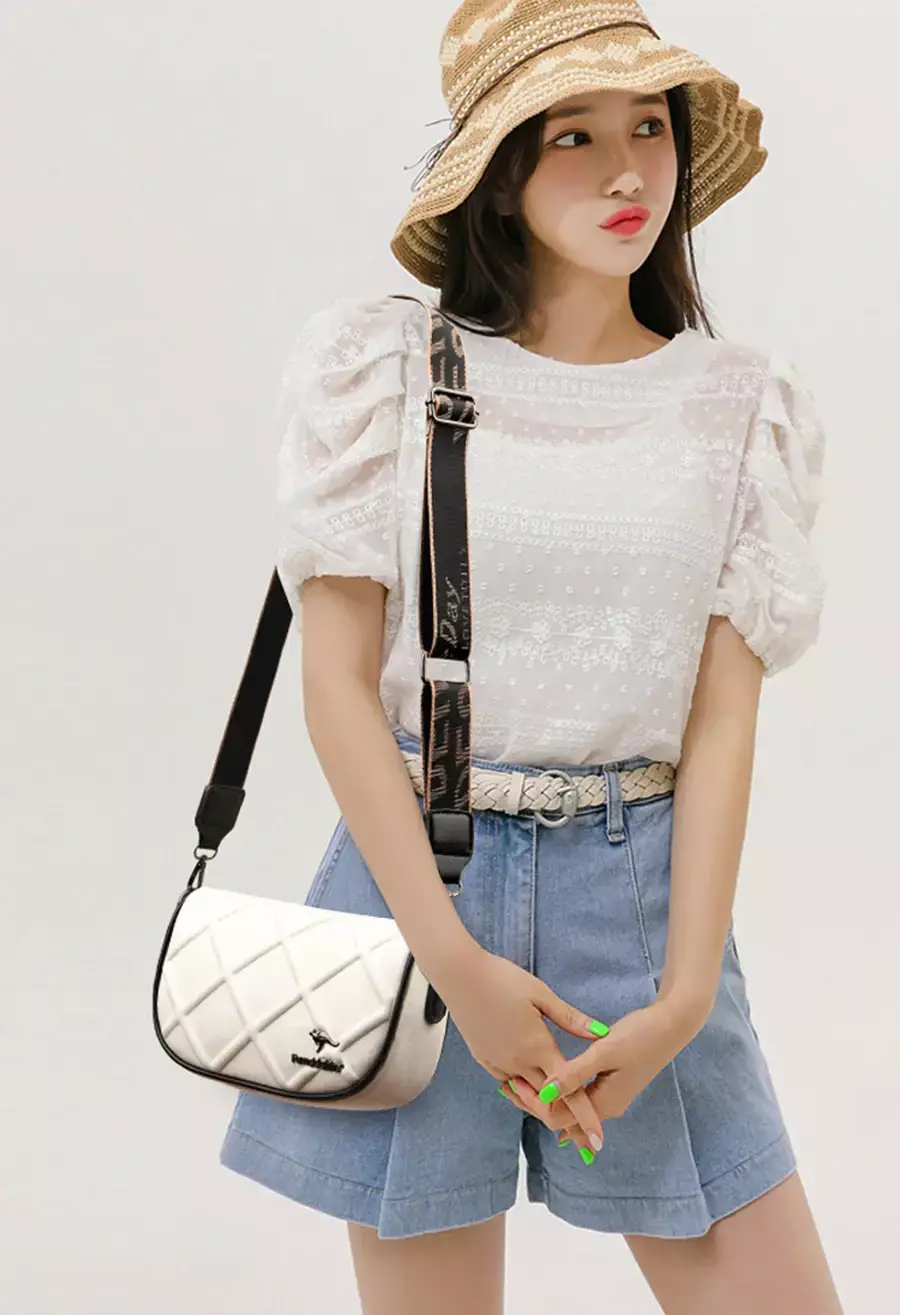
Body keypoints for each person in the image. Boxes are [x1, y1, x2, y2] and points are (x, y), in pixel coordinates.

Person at [219, 2, 844, 1312]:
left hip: (643, 896)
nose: (627, 172)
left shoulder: (742, 405)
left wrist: (684, 995)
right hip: (417, 888)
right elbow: (335, 686)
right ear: (499, 177)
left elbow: (723, 718)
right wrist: (453, 960)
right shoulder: (386, 371)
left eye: (649, 129)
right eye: (574, 136)